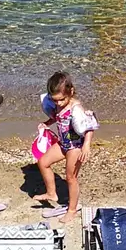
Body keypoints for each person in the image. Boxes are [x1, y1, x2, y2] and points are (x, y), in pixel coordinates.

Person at [31, 72, 97, 224]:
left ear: (71, 92)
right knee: (43, 162)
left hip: (76, 147)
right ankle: (51, 193)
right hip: (63, 143)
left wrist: (86, 146)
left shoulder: (76, 108)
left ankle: (72, 210)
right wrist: (47, 123)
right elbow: (57, 117)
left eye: (61, 100)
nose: (59, 103)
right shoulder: (58, 105)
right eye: (55, 100)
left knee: (71, 178)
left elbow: (89, 127)